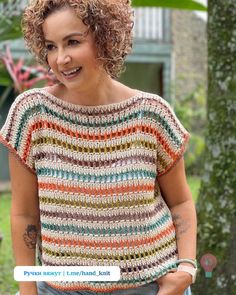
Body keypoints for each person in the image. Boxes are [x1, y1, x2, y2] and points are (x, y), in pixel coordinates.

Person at [0, 0, 197, 294]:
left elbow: (181, 203)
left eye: (73, 42)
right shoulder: (32, 115)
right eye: (51, 46)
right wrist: (27, 290)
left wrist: (187, 269)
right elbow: (24, 215)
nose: (61, 59)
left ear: (105, 37)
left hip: (150, 286)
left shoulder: (151, 114)